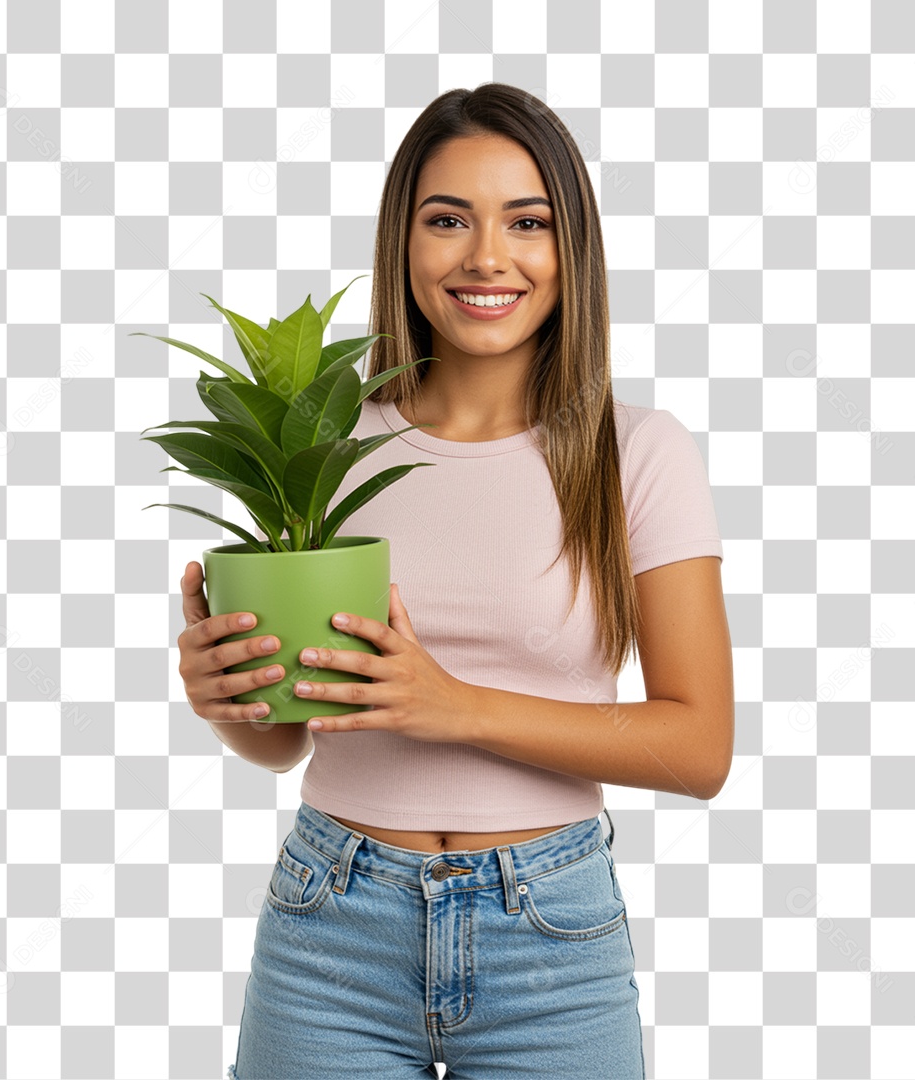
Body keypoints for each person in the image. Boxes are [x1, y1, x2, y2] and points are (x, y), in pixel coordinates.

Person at [178, 83, 733, 1079]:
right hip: (330, 924)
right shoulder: (323, 449)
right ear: (404, 242)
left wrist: (455, 707)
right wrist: (229, 699)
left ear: (574, 249)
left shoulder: (637, 453)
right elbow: (285, 740)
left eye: (529, 221)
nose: (488, 256)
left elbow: (699, 747)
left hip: (551, 939)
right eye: (448, 220)